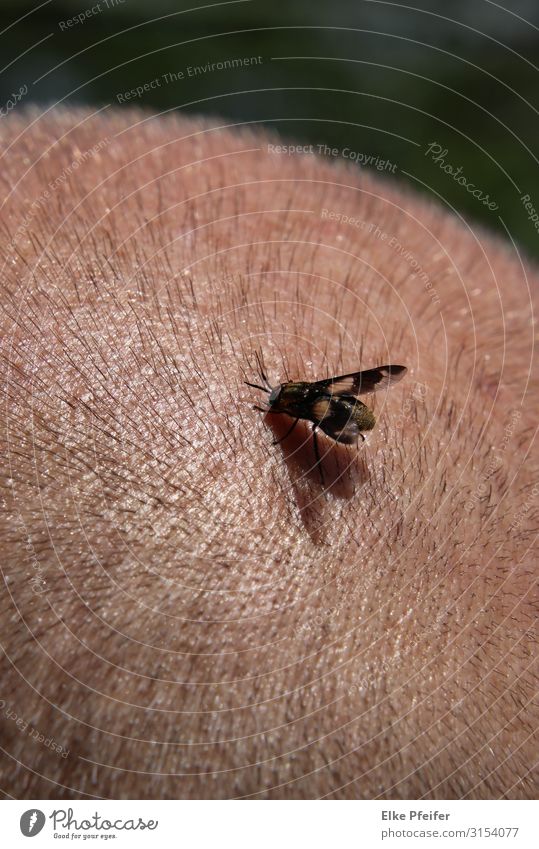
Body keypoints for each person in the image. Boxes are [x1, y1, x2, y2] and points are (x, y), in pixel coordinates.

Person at [0, 107, 536, 799]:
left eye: (277, 400)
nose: (274, 404)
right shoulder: (312, 399)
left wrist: (314, 425)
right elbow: (352, 399)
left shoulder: (307, 414)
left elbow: (334, 421)